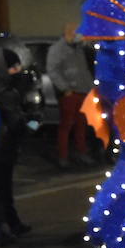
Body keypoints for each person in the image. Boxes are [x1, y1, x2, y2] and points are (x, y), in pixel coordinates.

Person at [0, 47, 40, 245]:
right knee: (1, 188)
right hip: (2, 143)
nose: (17, 71)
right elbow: (15, 119)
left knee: (3, 185)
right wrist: (33, 123)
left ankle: (13, 222)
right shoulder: (3, 88)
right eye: (13, 67)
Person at [46, 24, 94, 169]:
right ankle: (63, 156)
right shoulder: (57, 49)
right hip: (70, 93)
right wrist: (65, 88)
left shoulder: (78, 48)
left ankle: (81, 152)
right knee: (66, 126)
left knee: (81, 125)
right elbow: (52, 70)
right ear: (68, 32)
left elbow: (84, 69)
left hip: (83, 91)